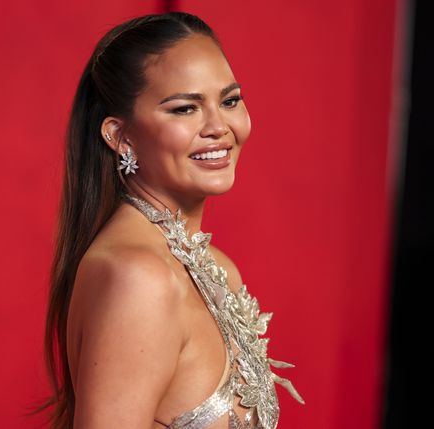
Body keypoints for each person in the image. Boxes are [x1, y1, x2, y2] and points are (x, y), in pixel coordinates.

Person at [40, 11, 304, 429]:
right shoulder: (139, 277)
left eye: (230, 100)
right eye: (185, 109)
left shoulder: (217, 268)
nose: (219, 127)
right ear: (120, 136)